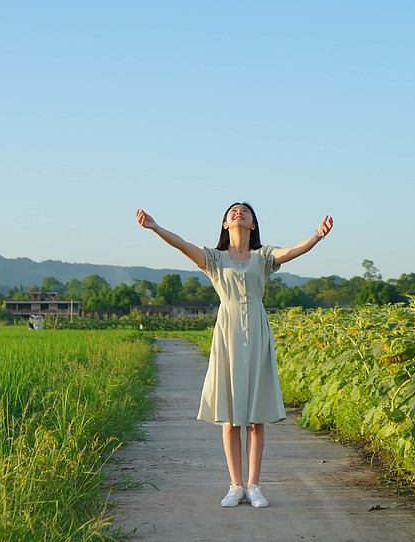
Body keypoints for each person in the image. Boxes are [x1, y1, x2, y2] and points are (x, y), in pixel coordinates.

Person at [136, 203, 333, 508]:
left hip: (257, 333)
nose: (239, 213)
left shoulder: (263, 257)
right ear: (225, 224)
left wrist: (316, 237)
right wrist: (156, 228)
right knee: (229, 418)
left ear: (253, 225)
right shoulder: (214, 259)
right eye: (233, 211)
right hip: (227, 334)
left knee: (256, 418)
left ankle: (254, 485)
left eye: (245, 211)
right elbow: (184, 245)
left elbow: (292, 251)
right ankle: (235, 485)